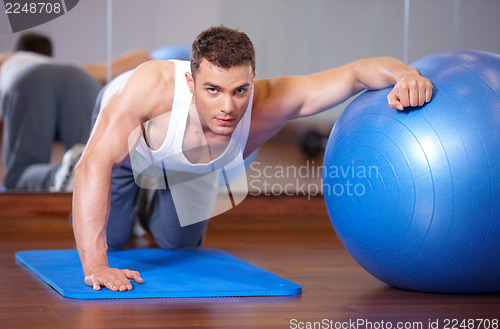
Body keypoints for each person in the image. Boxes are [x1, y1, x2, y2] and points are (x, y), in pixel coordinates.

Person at [73, 25, 433, 292]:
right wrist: (95, 266)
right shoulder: (150, 88)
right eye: (212, 90)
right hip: (130, 153)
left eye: (239, 90)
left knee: (177, 243)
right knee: (115, 237)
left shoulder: (269, 101)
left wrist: (405, 75)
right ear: (189, 82)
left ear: (253, 81)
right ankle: (133, 185)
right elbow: (93, 166)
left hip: (188, 167)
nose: (227, 108)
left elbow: (355, 73)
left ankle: (156, 192)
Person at [0, 32, 101, 191]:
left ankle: (58, 174)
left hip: (29, 80)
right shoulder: (55, 63)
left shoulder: (9, 58)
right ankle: (76, 170)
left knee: (18, 173)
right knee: (91, 163)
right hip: (81, 76)